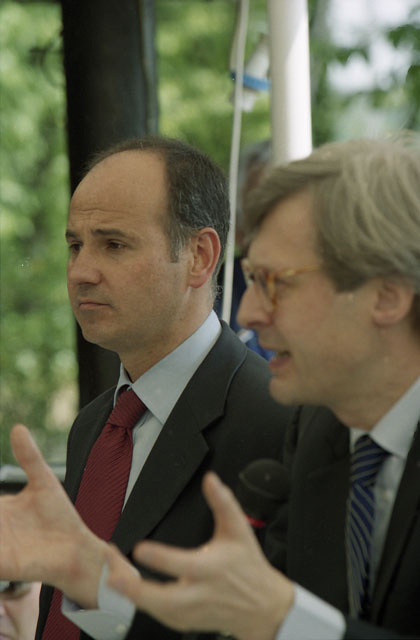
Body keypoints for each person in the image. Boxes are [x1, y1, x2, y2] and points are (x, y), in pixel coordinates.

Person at [103, 132, 420, 639]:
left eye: (278, 283)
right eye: (250, 279)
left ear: (387, 295)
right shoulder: (317, 432)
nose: (248, 313)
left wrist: (282, 619)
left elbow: (281, 617)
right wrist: (89, 578)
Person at [0, 136, 293, 639]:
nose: (81, 272)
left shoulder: (278, 422)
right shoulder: (96, 424)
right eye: (75, 246)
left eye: (113, 245)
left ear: (199, 256)